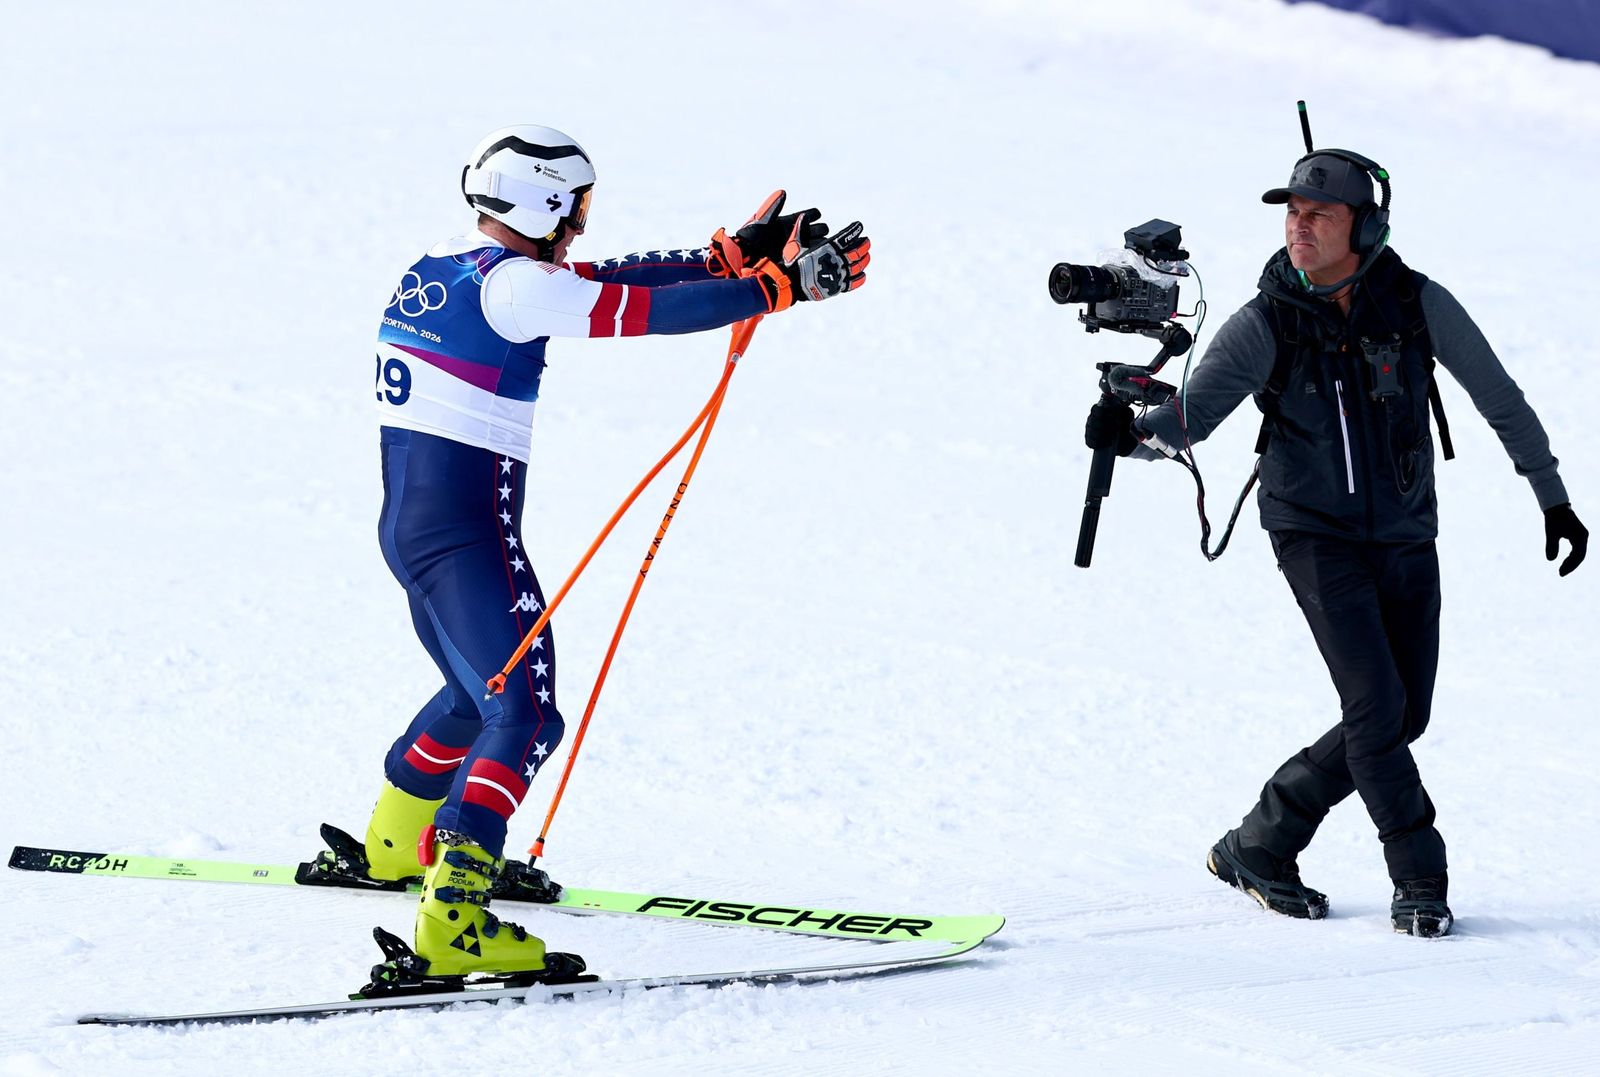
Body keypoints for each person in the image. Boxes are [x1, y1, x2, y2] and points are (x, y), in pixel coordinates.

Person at [307, 125, 869, 978]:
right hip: (468, 536)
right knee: (524, 710)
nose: (582, 225)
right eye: (577, 207)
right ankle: (454, 916)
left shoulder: (448, 267)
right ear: (545, 203)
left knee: (474, 691)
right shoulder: (520, 291)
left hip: (416, 530)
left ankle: (394, 842)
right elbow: (639, 310)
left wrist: (722, 259)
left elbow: (594, 282)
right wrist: (774, 288)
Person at [1085, 145, 1587, 938]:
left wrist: (1551, 495)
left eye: (1320, 213)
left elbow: (1500, 397)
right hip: (1313, 534)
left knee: (1401, 713)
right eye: (1292, 211)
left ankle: (1261, 840)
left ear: (1368, 224)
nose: (1300, 227)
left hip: (1406, 533)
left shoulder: (1417, 304)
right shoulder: (1265, 321)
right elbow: (1191, 421)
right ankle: (1419, 875)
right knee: (1376, 705)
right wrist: (1131, 432)